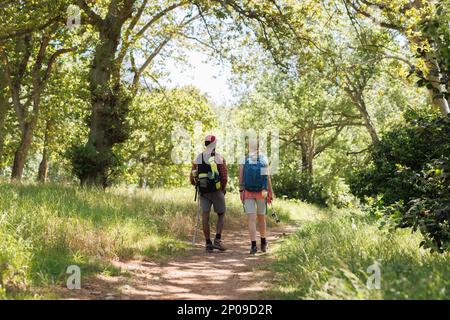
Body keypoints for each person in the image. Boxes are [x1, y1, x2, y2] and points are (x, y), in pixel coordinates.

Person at [190, 135, 228, 253]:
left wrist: (198, 185)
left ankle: (208, 243)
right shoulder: (219, 158)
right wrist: (222, 189)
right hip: (217, 191)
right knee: (221, 214)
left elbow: (191, 177)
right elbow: (224, 177)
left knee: (205, 216)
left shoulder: (198, 158)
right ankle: (217, 240)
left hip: (203, 192)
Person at [239, 140, 274, 254]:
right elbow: (267, 176)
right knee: (261, 217)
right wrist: (270, 191)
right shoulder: (263, 159)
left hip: (248, 191)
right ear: (259, 147)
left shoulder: (244, 159)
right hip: (262, 192)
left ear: (249, 147)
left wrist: (241, 190)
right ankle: (263, 243)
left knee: (251, 219)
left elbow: (240, 176)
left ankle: (253, 246)